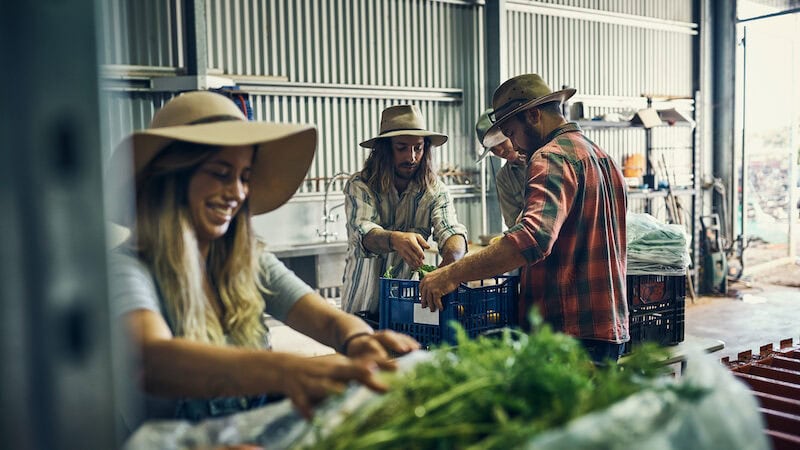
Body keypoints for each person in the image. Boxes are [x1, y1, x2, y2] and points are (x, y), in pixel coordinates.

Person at [106, 91, 419, 428]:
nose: (238, 192)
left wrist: (360, 341)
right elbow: (152, 360)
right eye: (221, 173)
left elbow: (326, 320)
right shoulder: (127, 269)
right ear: (173, 177)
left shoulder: (245, 260)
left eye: (244, 177)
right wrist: (287, 371)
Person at [420, 74, 629, 362]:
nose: (514, 147)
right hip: (607, 325)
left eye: (512, 133)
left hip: (567, 332)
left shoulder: (550, 157)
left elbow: (532, 239)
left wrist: (451, 274)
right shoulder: (603, 158)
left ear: (533, 116)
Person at [341, 104, 469, 315]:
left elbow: (451, 230)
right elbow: (363, 231)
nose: (411, 157)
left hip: (405, 307)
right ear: (384, 149)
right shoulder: (360, 185)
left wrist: (449, 269)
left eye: (418, 148)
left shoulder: (434, 190)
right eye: (401, 148)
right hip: (361, 304)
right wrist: (394, 240)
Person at [475, 108, 528, 228]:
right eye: (493, 149)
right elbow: (512, 223)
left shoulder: (544, 158)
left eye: (501, 142)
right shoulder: (504, 178)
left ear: (511, 132)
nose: (499, 151)